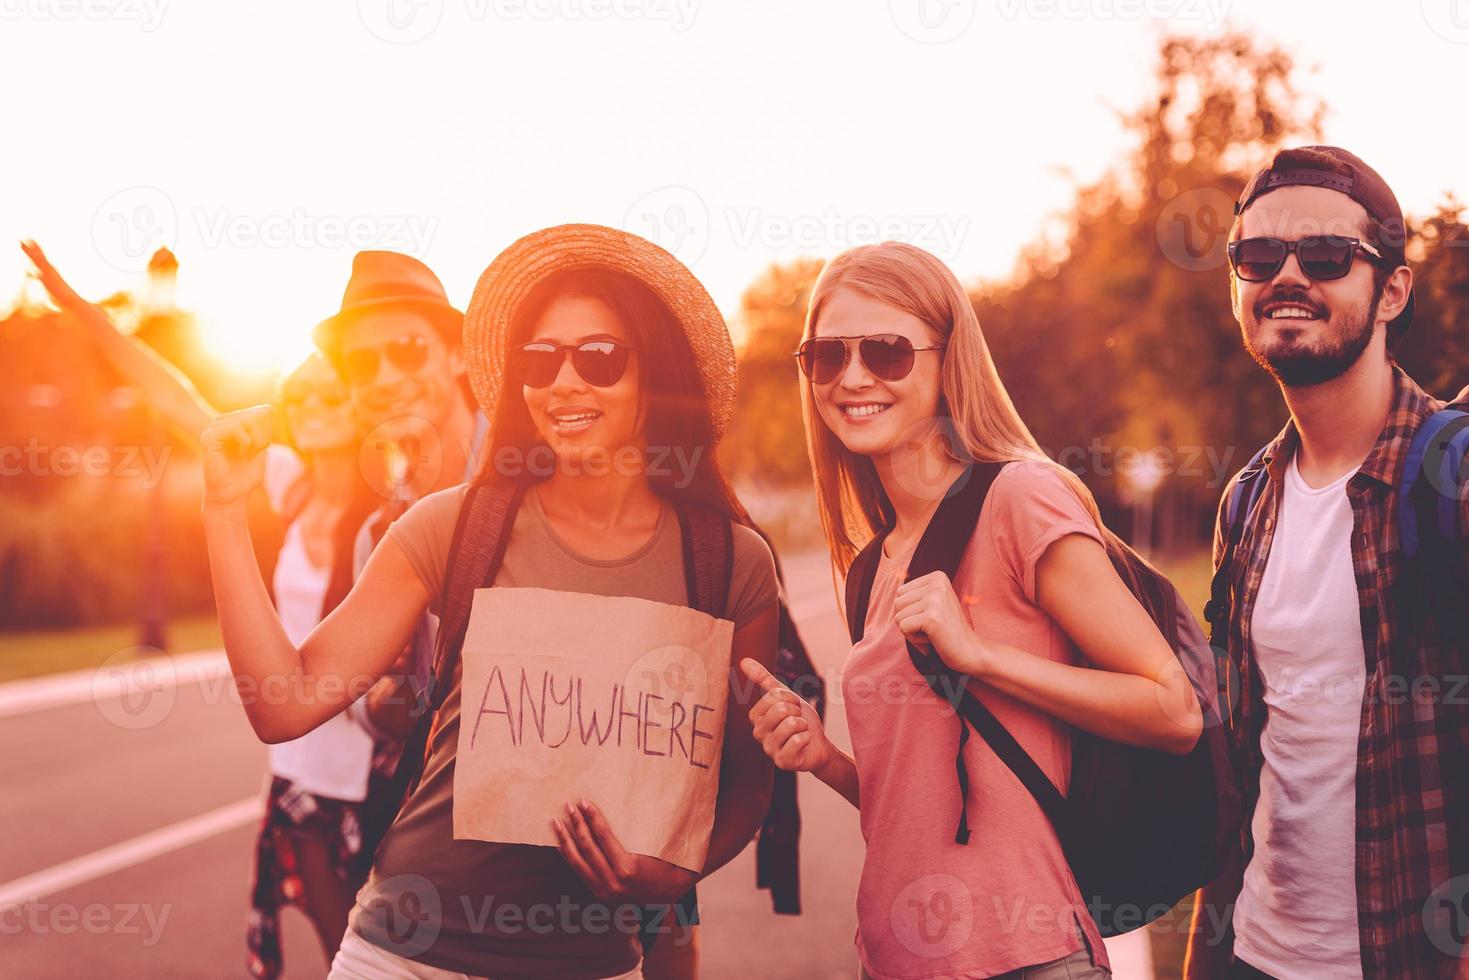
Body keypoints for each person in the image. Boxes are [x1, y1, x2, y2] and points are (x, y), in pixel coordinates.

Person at [201, 224, 780, 979]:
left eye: (599, 357)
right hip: (397, 954)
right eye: (539, 360)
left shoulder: (728, 561)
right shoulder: (455, 524)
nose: (564, 382)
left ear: (655, 371)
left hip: (592, 961)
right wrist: (221, 511)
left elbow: (746, 776)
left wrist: (683, 872)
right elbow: (283, 705)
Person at [741, 240, 1204, 980]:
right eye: (826, 356)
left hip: (1027, 958)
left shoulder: (1019, 499)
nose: (852, 377)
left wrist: (979, 654)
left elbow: (1171, 709)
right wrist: (823, 761)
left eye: (886, 352)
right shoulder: (874, 565)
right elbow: (919, 814)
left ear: (945, 359)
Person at [19, 240, 382, 976]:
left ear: (361, 404)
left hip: (371, 787)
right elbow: (175, 398)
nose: (310, 407)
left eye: (330, 393)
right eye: (298, 395)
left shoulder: (396, 519)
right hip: (298, 778)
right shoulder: (290, 484)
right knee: (332, 957)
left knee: (376, 961)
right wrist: (80, 308)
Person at [1185, 146, 1469, 980]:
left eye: (1325, 255)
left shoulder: (1449, 479)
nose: (1286, 276)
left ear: (1390, 290)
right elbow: (1245, 757)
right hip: (1252, 951)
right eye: (1258, 256)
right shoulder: (1244, 503)